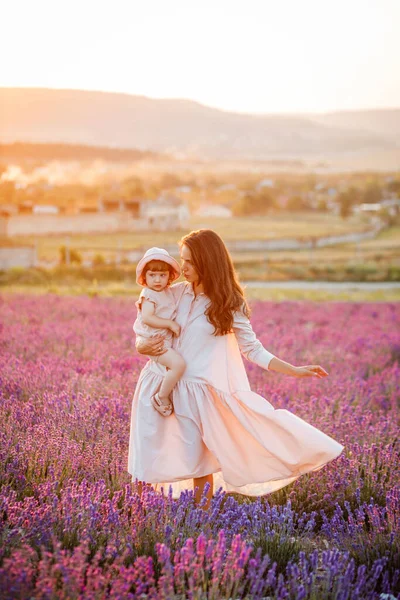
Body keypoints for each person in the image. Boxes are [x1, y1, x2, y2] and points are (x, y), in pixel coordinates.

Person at [128, 230, 344, 509]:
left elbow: (252, 348)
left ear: (208, 262)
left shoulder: (229, 305)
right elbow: (143, 329)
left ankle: (199, 524)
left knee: (199, 463)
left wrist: (294, 370)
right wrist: (141, 345)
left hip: (197, 395)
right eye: (182, 260)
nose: (183, 268)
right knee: (146, 456)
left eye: (190, 262)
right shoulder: (173, 293)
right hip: (158, 384)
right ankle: (136, 517)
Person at [133, 247, 186, 416]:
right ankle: (161, 397)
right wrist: (169, 324)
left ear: (169, 277)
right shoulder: (148, 294)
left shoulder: (168, 292)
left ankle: (165, 393)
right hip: (155, 343)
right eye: (152, 275)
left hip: (163, 342)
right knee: (178, 365)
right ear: (144, 277)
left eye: (162, 275)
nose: (157, 280)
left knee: (176, 365)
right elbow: (148, 318)